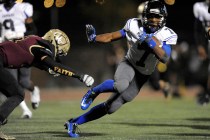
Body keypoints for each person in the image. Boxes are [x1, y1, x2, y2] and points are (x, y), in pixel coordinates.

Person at [64, 0, 178, 138]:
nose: (154, 20)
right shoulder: (134, 24)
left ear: (163, 18)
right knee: (121, 85)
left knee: (111, 107)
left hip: (143, 75)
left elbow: (165, 57)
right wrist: (94, 38)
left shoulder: (167, 34)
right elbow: (112, 36)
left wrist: (150, 41)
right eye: (150, 16)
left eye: (157, 17)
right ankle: (94, 91)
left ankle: (74, 123)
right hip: (128, 64)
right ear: (144, 16)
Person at [0, 29, 94, 140]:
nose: (57, 55)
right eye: (59, 52)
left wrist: (49, 69)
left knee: (16, 92)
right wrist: (80, 76)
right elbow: (54, 65)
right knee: (18, 94)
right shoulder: (41, 46)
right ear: (54, 41)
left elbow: (35, 60)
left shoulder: (35, 41)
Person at [0, 0, 40, 119]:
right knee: (12, 83)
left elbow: (33, 30)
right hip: (6, 50)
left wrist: (20, 36)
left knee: (24, 82)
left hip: (21, 48)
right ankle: (26, 111)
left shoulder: (23, 8)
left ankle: (34, 90)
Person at [193, 0, 210, 105]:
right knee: (201, 70)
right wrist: (200, 45)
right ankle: (207, 93)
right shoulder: (199, 7)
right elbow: (198, 28)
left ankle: (207, 94)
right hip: (207, 42)